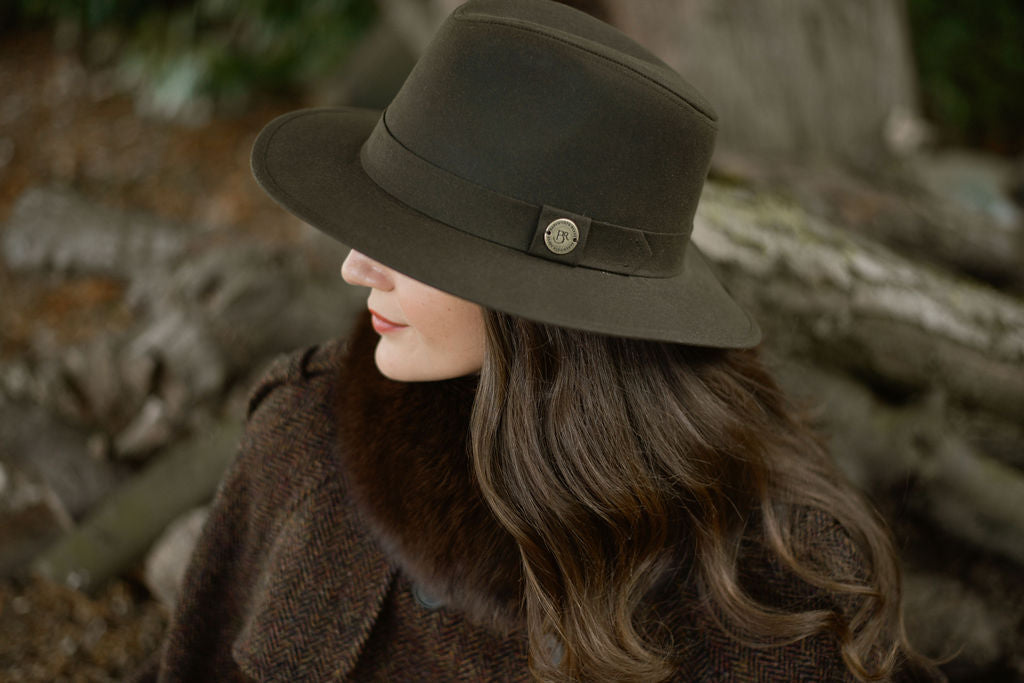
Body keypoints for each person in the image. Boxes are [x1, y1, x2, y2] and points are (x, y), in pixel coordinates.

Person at [139, 0, 935, 680]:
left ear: (546, 306)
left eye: (414, 239)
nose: (355, 266)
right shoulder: (300, 441)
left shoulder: (771, 583)